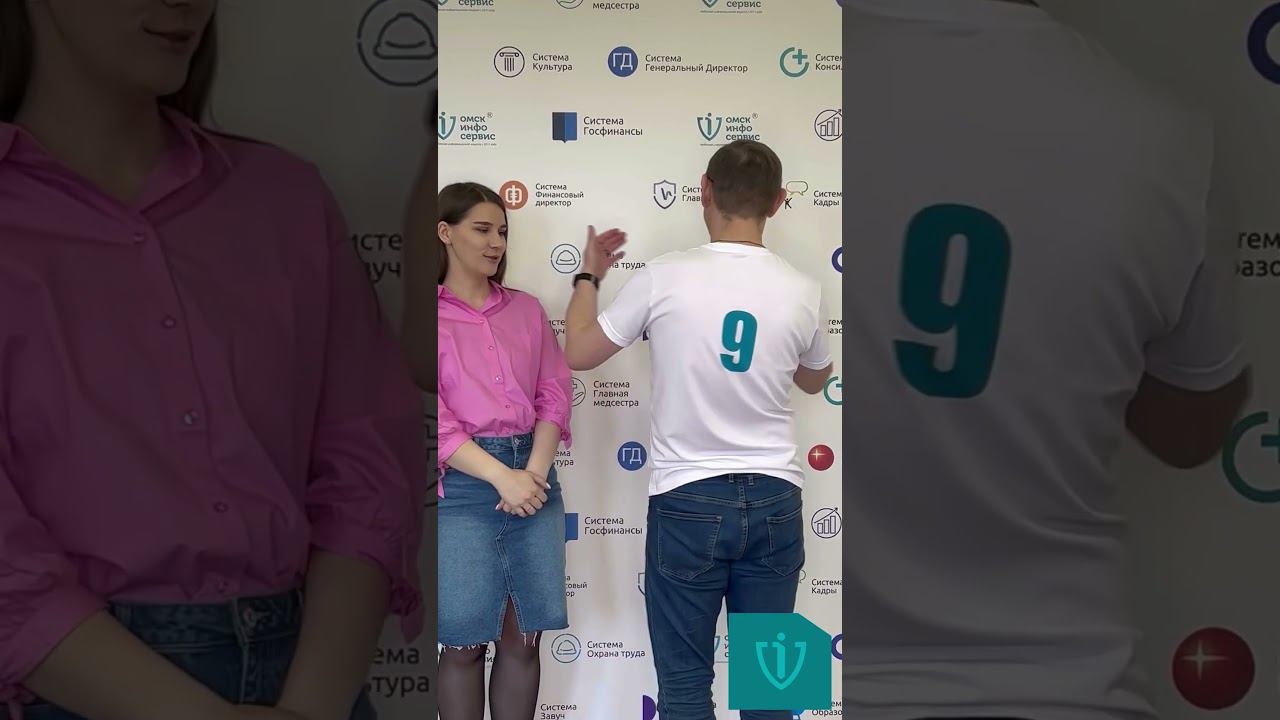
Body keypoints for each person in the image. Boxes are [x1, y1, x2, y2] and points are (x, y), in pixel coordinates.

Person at [0, 1, 427, 719]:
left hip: (312, 681)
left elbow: (368, 467)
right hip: (75, 692)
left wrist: (313, 705)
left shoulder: (282, 198)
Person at [842, 0, 1250, 718]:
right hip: (1060, 691)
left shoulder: (742, 93)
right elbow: (1191, 430)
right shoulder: (1162, 133)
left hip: (785, 680)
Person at [563, 139, 834, 720]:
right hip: (776, 498)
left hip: (687, 500)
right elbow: (815, 381)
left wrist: (589, 275)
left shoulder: (664, 276)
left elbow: (578, 351)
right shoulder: (804, 289)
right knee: (773, 688)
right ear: (778, 202)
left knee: (685, 691)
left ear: (704, 190)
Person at [434, 182, 573, 720]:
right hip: (463, 486)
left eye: (502, 231)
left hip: (535, 481)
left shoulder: (527, 310)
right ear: (445, 233)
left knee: (524, 640)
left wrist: (531, 475)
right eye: (482, 229)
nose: (496, 242)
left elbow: (554, 394)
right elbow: (433, 418)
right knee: (463, 643)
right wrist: (501, 477)